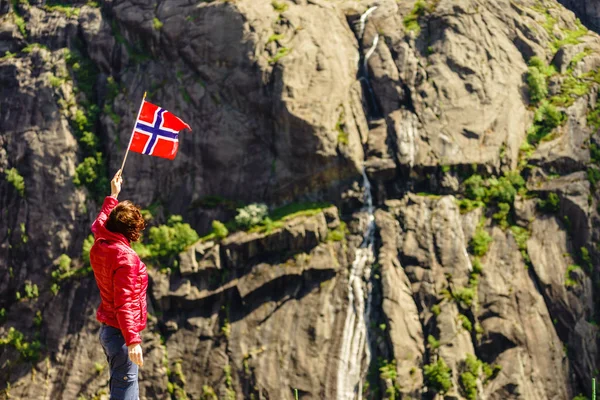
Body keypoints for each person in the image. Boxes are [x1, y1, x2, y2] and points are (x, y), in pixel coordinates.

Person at [90, 169, 148, 400]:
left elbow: (99, 223)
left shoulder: (102, 240)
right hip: (121, 333)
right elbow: (124, 302)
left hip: (109, 330)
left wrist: (113, 196)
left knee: (121, 386)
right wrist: (133, 341)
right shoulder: (126, 258)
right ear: (130, 231)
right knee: (126, 391)